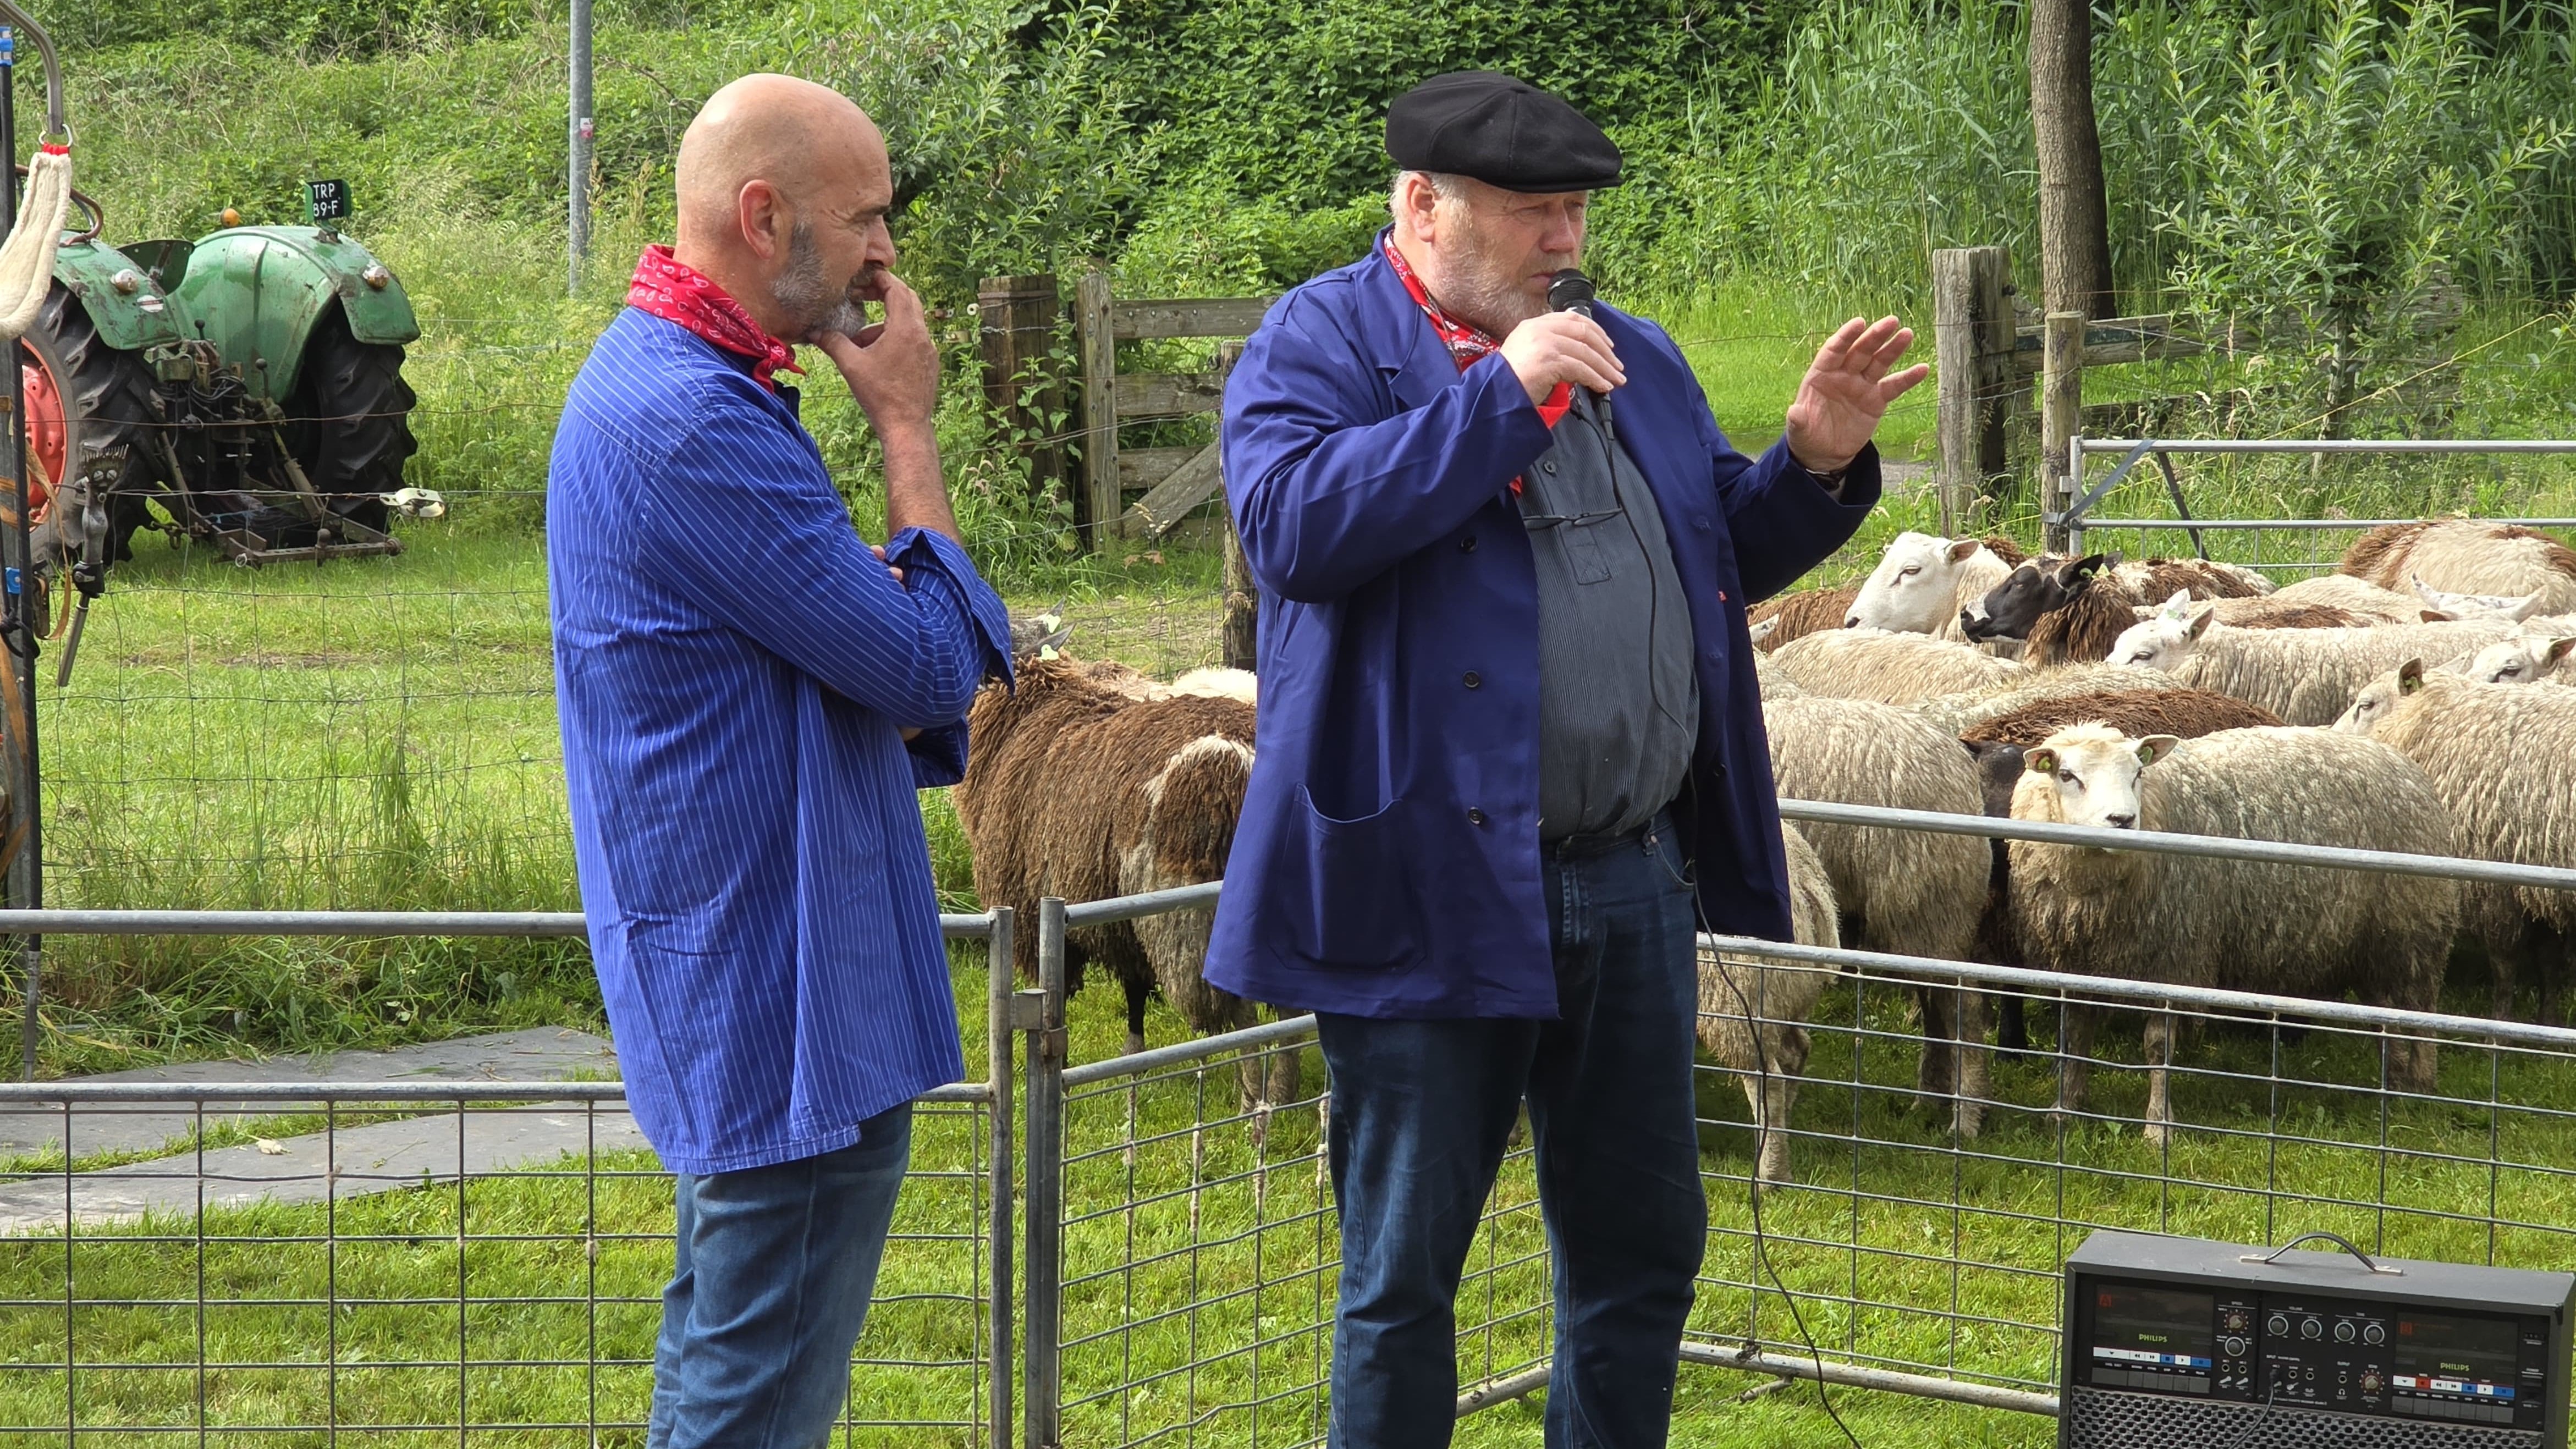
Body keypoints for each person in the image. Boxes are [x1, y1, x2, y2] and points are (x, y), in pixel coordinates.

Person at [1208, 71, 1927, 1448]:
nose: (1564, 241)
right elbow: (1293, 529)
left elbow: (1713, 546)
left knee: (1638, 1253)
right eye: (1531, 211)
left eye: (1576, 212)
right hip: (1424, 883)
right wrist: (1502, 398)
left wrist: (1808, 464)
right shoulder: (1316, 342)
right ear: (1421, 206)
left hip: (1629, 878)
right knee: (1400, 1280)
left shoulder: (1627, 350)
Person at [547, 74, 1010, 1449]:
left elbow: (858, 651)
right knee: (754, 1397)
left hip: (758, 973)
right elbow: (928, 671)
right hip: (780, 996)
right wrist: (907, 427)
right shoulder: (694, 423)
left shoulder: (678, 381)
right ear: (763, 218)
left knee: (733, 1357)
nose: (886, 252)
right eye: (865, 218)